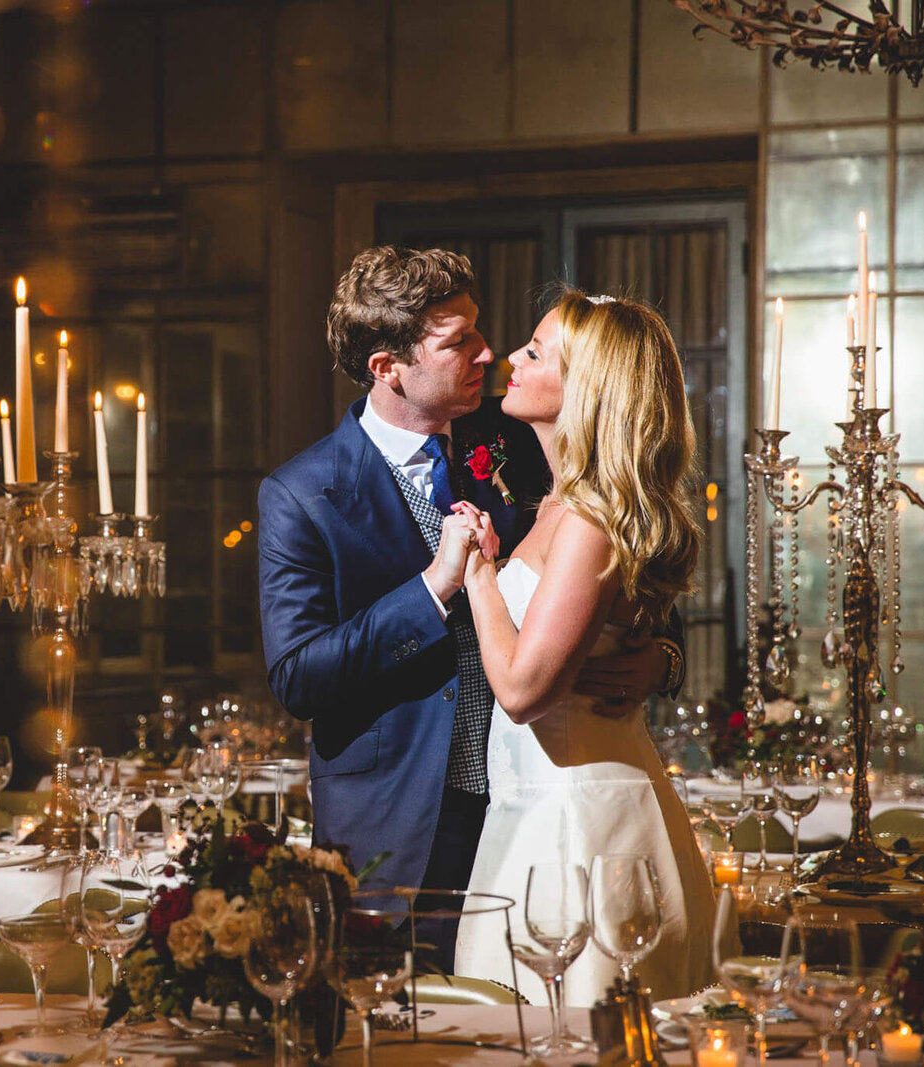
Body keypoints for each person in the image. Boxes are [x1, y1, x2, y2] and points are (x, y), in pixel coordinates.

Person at [257, 248, 685, 971]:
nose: (490, 352)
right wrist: (431, 588)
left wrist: (663, 656)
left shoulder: (522, 433)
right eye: (459, 342)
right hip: (396, 826)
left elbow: (616, 559)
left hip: (534, 802)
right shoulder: (304, 493)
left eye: (482, 331)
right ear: (387, 368)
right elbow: (299, 676)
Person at [450, 290, 716, 1004]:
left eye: (535, 353)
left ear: (586, 387)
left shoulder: (590, 518)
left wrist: (478, 575)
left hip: (575, 826)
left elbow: (523, 691)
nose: (511, 358)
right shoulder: (560, 506)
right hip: (538, 805)